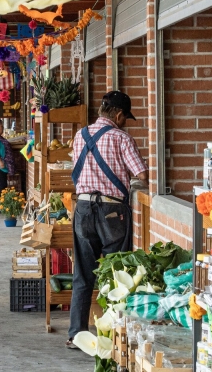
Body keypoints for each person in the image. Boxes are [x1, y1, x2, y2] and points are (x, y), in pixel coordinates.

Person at [66, 91, 148, 350]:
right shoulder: (122, 138)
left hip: (83, 208)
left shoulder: (80, 135)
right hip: (112, 212)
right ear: (119, 114)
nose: (126, 123)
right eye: (126, 118)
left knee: (82, 276)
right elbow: (142, 174)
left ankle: (75, 334)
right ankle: (112, 335)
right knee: (116, 277)